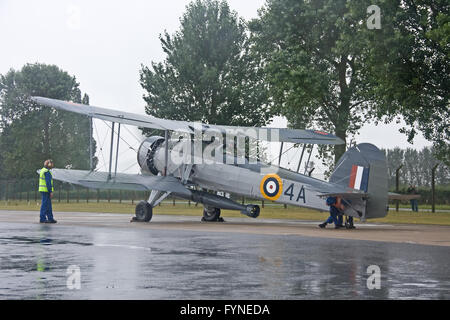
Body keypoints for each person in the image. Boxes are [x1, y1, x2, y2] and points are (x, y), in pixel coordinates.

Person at [39, 159, 57, 223]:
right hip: (46, 190)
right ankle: (42, 218)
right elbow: (48, 183)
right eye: (51, 164)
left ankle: (50, 218)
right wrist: (50, 191)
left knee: (48, 205)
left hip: (44, 190)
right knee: (45, 205)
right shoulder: (46, 171)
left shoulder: (43, 170)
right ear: (48, 164)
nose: (52, 165)